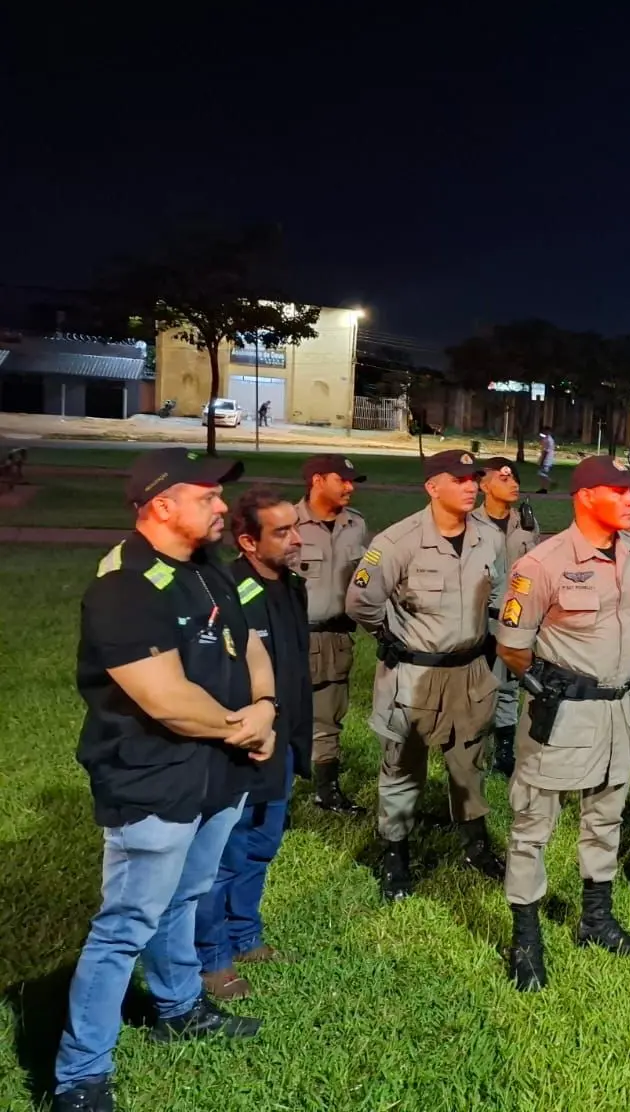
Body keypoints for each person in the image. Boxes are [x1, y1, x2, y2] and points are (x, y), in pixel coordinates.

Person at [53, 448, 271, 1112]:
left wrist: (266, 708)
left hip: (216, 772)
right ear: (161, 505)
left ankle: (179, 1008)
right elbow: (165, 699)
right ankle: (80, 1073)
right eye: (205, 496)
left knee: (186, 898)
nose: (220, 506)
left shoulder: (211, 573)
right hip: (153, 777)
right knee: (126, 923)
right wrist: (246, 726)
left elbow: (252, 645)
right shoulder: (123, 584)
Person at [496, 455, 630, 990]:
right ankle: (526, 940)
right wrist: (549, 684)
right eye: (623, 491)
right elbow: (513, 645)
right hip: (564, 718)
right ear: (586, 496)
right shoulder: (541, 565)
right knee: (533, 828)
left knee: (606, 819)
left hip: (620, 712)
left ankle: (596, 920)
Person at [346, 450, 504, 901]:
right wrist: (388, 635)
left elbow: (499, 591)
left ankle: (475, 845)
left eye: (474, 478)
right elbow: (360, 601)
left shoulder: (487, 537)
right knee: (402, 765)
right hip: (415, 673)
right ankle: (395, 856)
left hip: (470, 671)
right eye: (459, 480)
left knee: (469, 763)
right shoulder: (399, 541)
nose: (471, 486)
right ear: (433, 487)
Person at [196, 487, 314, 1001]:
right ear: (247, 540)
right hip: (245, 744)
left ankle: (246, 936)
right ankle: (211, 958)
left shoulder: (291, 585)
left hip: (282, 740)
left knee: (263, 845)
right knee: (224, 852)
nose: (296, 539)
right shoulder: (226, 592)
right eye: (282, 531)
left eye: (296, 527)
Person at [293, 455, 369, 814]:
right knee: (279, 716)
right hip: (292, 639)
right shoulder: (287, 525)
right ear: (318, 480)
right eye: (343, 480)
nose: (350, 487)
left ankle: (327, 792)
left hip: (336, 639)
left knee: (328, 717)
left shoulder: (356, 525)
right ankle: (270, 797)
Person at [471, 456, 542, 776]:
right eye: (504, 479)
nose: (513, 483)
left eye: (514, 478)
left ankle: (503, 751)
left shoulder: (526, 523)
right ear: (484, 485)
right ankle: (472, 748)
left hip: (516, 619)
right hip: (478, 618)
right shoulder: (469, 522)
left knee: (510, 686)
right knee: (479, 686)